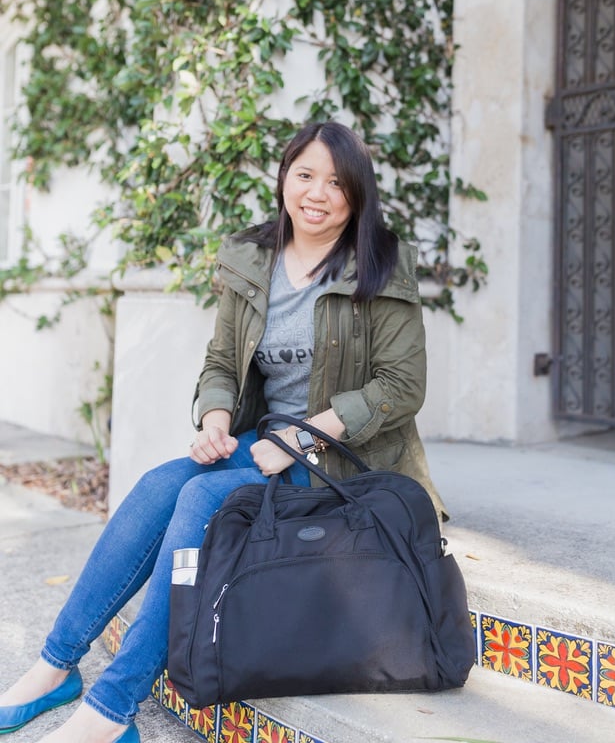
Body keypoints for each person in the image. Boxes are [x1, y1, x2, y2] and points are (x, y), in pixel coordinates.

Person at [0, 120, 447, 743]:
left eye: (337, 183)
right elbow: (219, 364)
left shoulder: (382, 264)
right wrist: (214, 421)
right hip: (259, 443)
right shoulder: (250, 258)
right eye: (305, 175)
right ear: (285, 177)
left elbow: (401, 385)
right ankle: (54, 668)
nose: (318, 193)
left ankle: (110, 711)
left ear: (358, 195)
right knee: (162, 484)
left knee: (204, 498)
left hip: (344, 462)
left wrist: (299, 438)